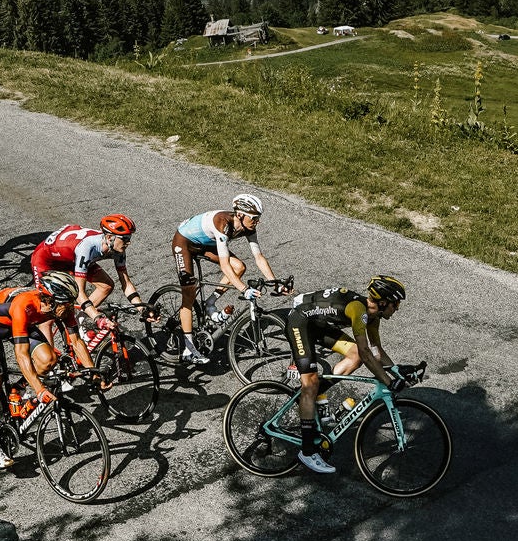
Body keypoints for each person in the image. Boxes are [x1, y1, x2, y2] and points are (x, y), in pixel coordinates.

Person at [281, 275, 412, 475]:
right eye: (396, 304)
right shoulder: (359, 310)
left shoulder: (373, 317)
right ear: (383, 302)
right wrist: (387, 381)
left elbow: (376, 350)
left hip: (317, 324)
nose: (398, 308)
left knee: (354, 357)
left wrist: (396, 371)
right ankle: (307, 452)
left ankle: (311, 396)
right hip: (299, 322)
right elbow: (367, 354)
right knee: (311, 384)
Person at [0, 272, 97, 470]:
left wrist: (93, 372)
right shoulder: (25, 305)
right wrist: (38, 388)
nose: (71, 308)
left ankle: (17, 388)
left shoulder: (61, 307)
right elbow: (21, 355)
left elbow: (76, 341)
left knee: (49, 360)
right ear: (51, 300)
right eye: (67, 304)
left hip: (20, 324)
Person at [170, 193, 281, 362]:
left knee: (240, 267)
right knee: (189, 293)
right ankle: (188, 349)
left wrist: (275, 283)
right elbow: (224, 265)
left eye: (258, 218)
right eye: (254, 218)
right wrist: (243, 289)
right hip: (184, 242)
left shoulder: (248, 227)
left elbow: (258, 257)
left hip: (205, 243)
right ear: (241, 215)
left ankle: (210, 302)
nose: (257, 222)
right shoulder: (222, 223)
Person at [31, 215, 146, 323]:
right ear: (110, 237)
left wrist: (143, 309)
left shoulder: (116, 247)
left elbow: (126, 283)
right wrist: (97, 317)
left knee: (106, 286)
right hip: (45, 259)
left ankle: (79, 321)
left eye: (129, 237)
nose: (128, 242)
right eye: (125, 238)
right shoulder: (87, 248)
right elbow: (79, 292)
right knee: (47, 313)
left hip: (71, 258)